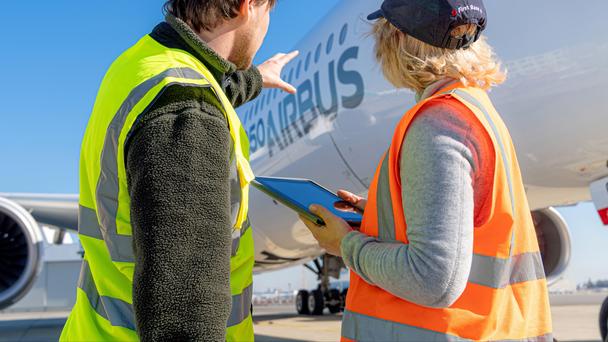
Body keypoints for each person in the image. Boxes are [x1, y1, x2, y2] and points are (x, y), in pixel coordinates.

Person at [300, 0, 553, 340]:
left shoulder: (437, 124)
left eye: (382, 37)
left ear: (400, 41)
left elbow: (434, 279)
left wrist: (345, 245)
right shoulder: (473, 110)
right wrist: (374, 212)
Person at [60, 1, 298, 341]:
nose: (265, 28)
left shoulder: (144, 65)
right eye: (268, 13)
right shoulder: (188, 113)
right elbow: (186, 315)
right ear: (246, 6)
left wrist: (256, 78)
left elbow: (206, 91)